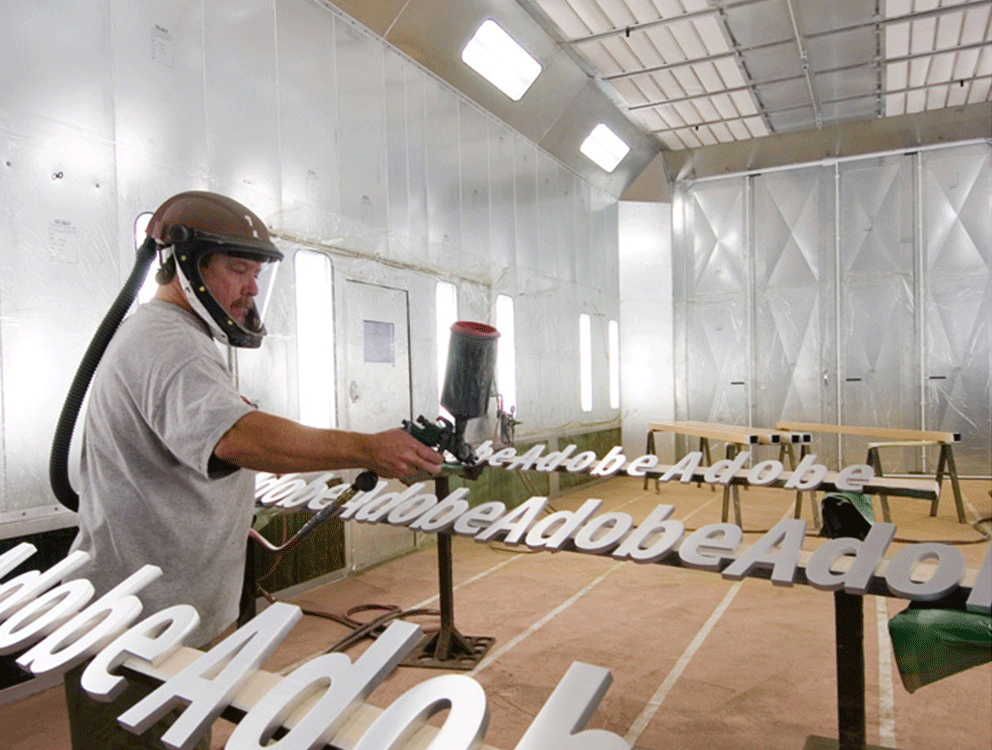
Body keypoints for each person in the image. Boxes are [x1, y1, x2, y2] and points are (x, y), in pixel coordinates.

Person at [62, 190, 443, 749]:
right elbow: (238, 437)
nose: (251, 288)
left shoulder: (173, 336)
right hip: (140, 624)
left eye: (257, 273)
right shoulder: (170, 342)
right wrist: (367, 448)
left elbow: (184, 452)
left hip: (169, 613)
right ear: (190, 266)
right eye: (239, 269)